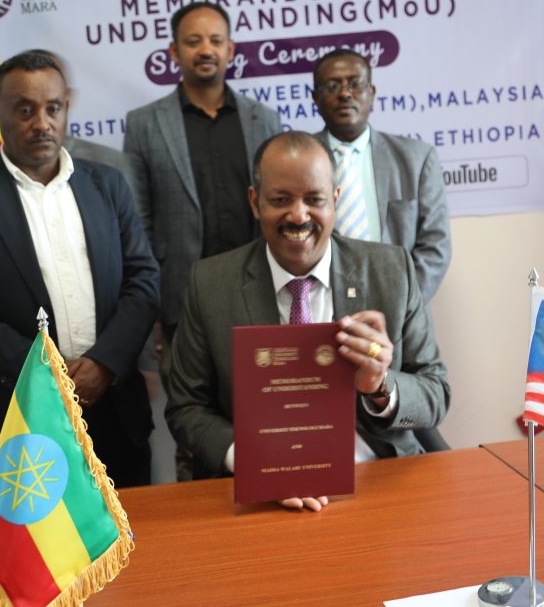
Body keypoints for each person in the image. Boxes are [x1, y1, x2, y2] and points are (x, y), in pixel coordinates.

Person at [165, 131, 449, 511]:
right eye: (281, 200)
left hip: (374, 480)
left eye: (314, 199)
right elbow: (186, 407)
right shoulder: (211, 285)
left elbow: (435, 391)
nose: (298, 216)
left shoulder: (391, 271)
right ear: (255, 202)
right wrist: (252, 462)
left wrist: (380, 386)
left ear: (335, 199)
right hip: (260, 495)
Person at [0, 50, 160, 488]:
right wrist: (46, 371)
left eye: (53, 108)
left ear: (66, 108)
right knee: (36, 537)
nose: (42, 123)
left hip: (113, 409)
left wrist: (105, 363)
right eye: (25, 111)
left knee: (131, 530)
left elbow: (143, 282)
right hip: (21, 420)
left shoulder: (108, 184)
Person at [124, 1, 282, 348]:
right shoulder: (144, 124)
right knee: (186, 386)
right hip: (179, 299)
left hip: (259, 292)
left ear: (230, 50)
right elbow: (138, 224)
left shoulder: (265, 120)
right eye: (193, 41)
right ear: (174, 52)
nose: (206, 50)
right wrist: (152, 306)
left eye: (215, 40)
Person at [312, 49, 452, 302]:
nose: (345, 93)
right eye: (332, 86)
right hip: (320, 308)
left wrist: (402, 307)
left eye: (356, 84)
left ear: (372, 93)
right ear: (315, 98)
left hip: (402, 309)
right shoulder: (299, 162)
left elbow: (435, 247)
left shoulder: (417, 158)